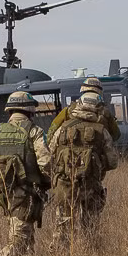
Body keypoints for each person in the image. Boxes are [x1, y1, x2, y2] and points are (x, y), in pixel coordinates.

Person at [0, 91, 51, 256]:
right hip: (25, 192)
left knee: (25, 235)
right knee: (19, 241)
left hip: (3, 193)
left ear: (9, 111)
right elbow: (45, 162)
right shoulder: (34, 131)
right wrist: (47, 182)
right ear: (30, 112)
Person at [49, 91, 119, 247]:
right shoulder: (102, 130)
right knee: (90, 224)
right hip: (91, 185)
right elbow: (113, 162)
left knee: (63, 224)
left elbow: (51, 151)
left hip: (65, 183)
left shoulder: (63, 128)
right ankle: (90, 252)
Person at [46, 77, 120, 143]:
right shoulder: (105, 113)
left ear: (82, 91)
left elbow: (52, 129)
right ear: (100, 93)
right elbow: (116, 135)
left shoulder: (68, 111)